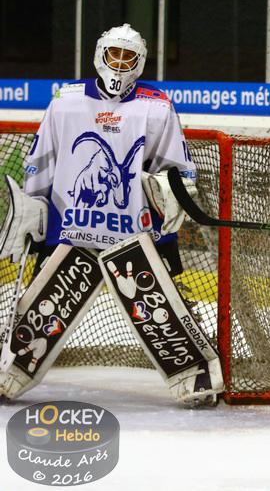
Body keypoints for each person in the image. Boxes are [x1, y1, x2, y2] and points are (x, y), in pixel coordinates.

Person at [0, 23, 223, 406]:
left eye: (128, 57)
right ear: (100, 55)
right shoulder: (66, 101)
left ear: (140, 63)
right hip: (71, 229)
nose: (120, 63)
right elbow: (42, 158)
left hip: (135, 234)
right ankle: (8, 374)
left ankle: (196, 379)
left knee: (161, 312)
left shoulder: (156, 106)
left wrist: (171, 192)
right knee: (41, 310)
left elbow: (176, 167)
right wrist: (35, 204)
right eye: (114, 54)